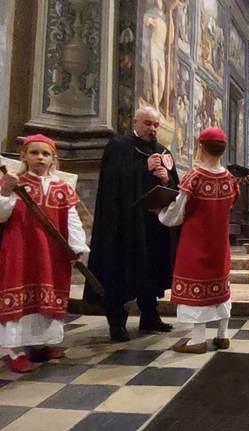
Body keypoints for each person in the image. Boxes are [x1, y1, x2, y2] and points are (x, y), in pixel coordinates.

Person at [86, 107, 179, 342]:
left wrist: (166, 178)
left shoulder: (162, 151)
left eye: (156, 125)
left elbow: (174, 186)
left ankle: (150, 316)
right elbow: (111, 180)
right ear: (135, 122)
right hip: (124, 224)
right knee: (121, 270)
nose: (153, 129)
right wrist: (143, 168)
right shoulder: (119, 146)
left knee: (151, 269)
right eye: (147, 123)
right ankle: (117, 323)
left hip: (152, 224)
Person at [0, 134, 88, 373]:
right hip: (21, 249)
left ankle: (41, 343)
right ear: (24, 156)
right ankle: (13, 350)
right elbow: (2, 215)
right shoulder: (15, 184)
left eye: (45, 153)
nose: (40, 157)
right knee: (18, 296)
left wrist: (77, 247)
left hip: (52, 252)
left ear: (53, 159)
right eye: (34, 152)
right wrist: (5, 191)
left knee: (48, 294)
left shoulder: (62, 188)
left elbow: (72, 219)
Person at [158, 127, 238, 353]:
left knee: (196, 289)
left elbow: (177, 212)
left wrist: (161, 213)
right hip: (219, 244)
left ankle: (198, 340)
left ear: (200, 147)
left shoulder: (195, 176)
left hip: (195, 242)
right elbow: (229, 206)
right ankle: (223, 336)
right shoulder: (229, 179)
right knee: (220, 287)